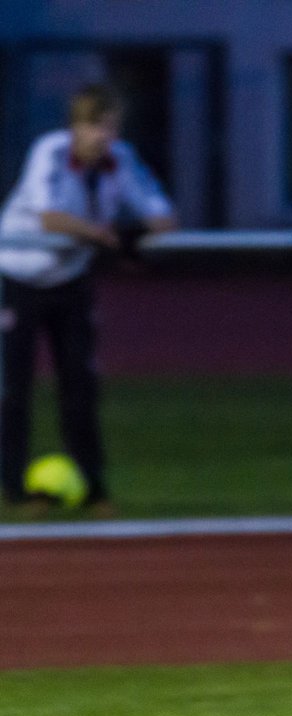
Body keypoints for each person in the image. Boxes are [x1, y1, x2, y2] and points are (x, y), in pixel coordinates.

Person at [0, 84, 176, 516]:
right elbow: (50, 217)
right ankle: (14, 490)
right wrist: (104, 237)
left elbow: (164, 216)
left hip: (72, 280)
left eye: (112, 125)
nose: (105, 136)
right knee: (12, 389)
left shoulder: (123, 160)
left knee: (80, 384)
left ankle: (94, 487)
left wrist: (139, 237)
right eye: (96, 125)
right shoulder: (51, 152)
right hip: (17, 276)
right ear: (75, 126)